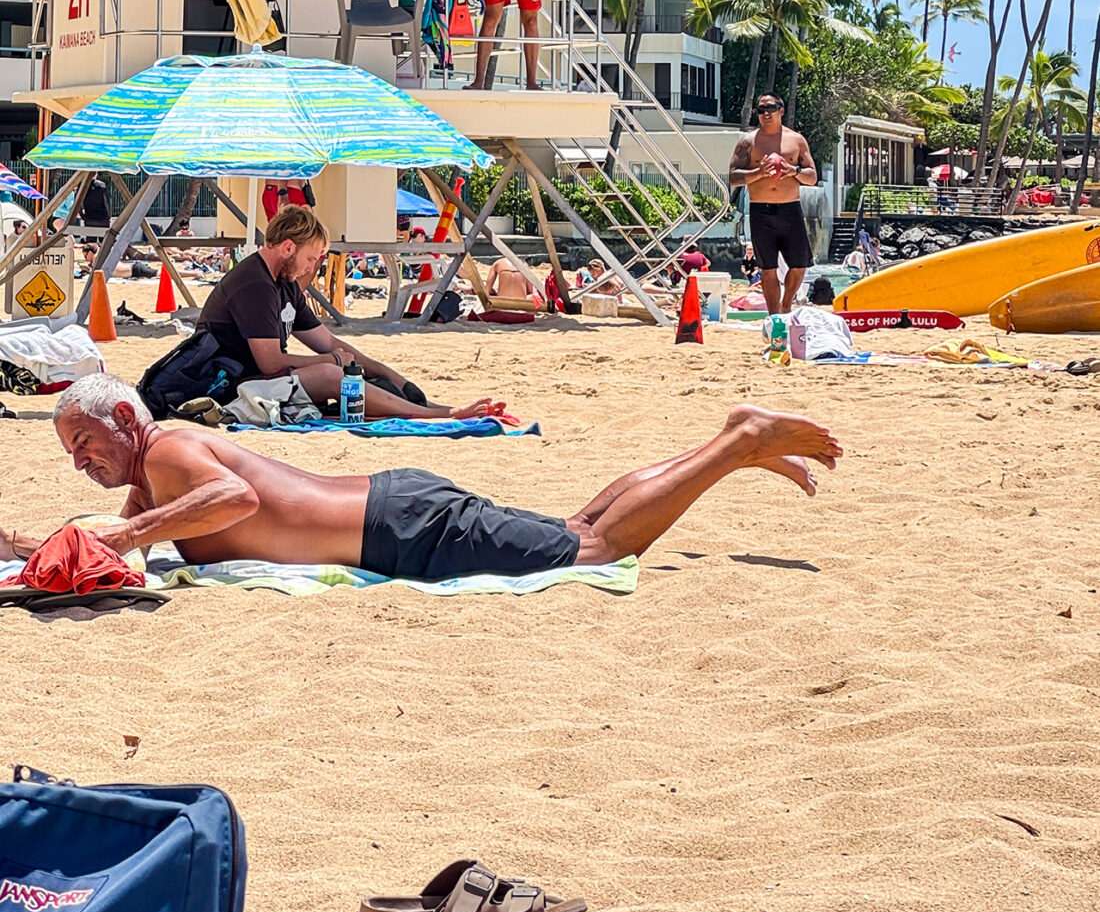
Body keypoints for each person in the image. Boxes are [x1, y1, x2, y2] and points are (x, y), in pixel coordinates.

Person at [8, 375, 842, 580]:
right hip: (397, 509)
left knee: (597, 549)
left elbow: (238, 500)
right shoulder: (155, 473)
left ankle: (736, 445)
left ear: (123, 419)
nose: (82, 461)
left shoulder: (164, 452)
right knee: (578, 526)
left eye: (85, 442)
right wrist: (21, 546)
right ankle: (727, 445)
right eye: (71, 454)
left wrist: (124, 531)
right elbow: (108, 550)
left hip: (402, 529)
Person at [189, 205, 497, 418]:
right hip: (226, 385)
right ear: (287, 248)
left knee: (341, 371)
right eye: (310, 259)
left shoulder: (283, 284)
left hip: (255, 380)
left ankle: (425, 406)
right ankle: (435, 415)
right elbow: (270, 362)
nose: (312, 269)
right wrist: (330, 361)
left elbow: (330, 343)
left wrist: (386, 372)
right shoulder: (254, 284)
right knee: (329, 374)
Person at [729, 95, 817, 313]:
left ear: (781, 110)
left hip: (790, 208)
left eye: (770, 108)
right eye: (761, 109)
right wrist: (758, 172)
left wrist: (792, 171)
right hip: (761, 210)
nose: (765, 113)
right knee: (768, 268)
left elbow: (812, 176)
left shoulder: (796, 140)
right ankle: (773, 315)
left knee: (800, 264)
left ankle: (786, 304)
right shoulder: (748, 142)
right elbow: (733, 177)